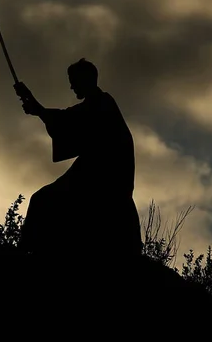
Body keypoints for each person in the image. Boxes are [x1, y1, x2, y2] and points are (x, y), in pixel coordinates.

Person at [14, 58, 142, 259]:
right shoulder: (99, 105)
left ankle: (26, 255)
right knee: (45, 202)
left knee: (42, 201)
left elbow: (67, 121)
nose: (71, 86)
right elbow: (68, 121)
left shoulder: (102, 104)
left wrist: (36, 107)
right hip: (94, 175)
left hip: (101, 179)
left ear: (87, 79)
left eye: (74, 80)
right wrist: (36, 106)